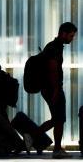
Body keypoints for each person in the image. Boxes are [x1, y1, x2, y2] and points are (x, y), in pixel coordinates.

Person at [38, 22, 77, 159]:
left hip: (50, 88)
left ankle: (33, 136)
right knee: (59, 119)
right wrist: (56, 90)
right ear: (63, 34)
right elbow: (53, 69)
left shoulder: (54, 46)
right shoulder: (54, 48)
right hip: (52, 88)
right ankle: (57, 149)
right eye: (71, 36)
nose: (72, 39)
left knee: (57, 119)